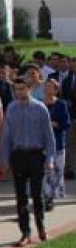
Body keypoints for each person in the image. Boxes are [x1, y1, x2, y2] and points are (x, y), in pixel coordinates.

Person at [0, 80, 57, 246]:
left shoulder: (40, 108)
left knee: (37, 195)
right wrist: (4, 160)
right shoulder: (11, 108)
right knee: (21, 196)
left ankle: (42, 229)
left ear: (29, 89)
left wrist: (50, 159)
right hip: (19, 155)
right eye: (16, 89)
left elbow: (48, 135)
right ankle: (25, 232)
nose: (19, 92)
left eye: (22, 88)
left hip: (36, 155)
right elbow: (6, 136)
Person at [41, 79, 70, 212]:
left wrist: (55, 124)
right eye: (45, 86)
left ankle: (51, 196)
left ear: (56, 89)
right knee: (45, 172)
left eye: (50, 87)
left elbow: (66, 124)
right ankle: (46, 196)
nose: (47, 89)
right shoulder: (39, 104)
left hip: (57, 143)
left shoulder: (61, 104)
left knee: (57, 171)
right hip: (42, 143)